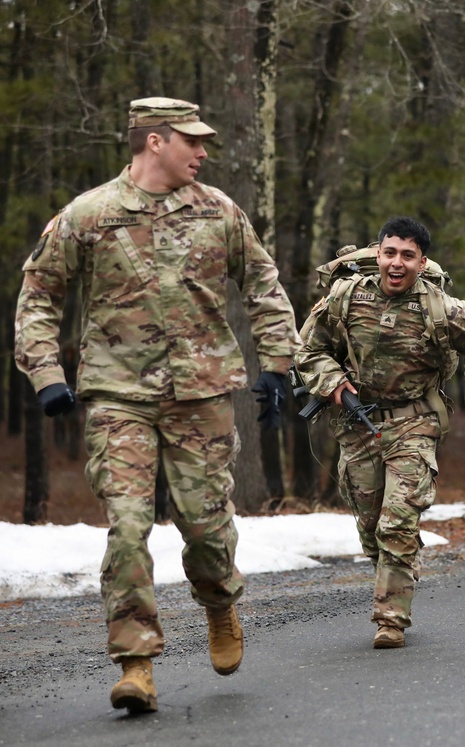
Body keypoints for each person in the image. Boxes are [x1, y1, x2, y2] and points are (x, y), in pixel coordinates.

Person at [14, 97, 300, 712]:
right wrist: (45, 373)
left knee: (205, 527)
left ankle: (220, 601)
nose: (202, 153)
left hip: (201, 395)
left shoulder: (219, 211)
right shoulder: (88, 215)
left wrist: (279, 366)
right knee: (128, 524)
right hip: (119, 394)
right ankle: (136, 661)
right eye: (191, 142)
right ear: (154, 142)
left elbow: (264, 286)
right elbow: (38, 294)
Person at [295, 216, 465, 649]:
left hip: (415, 423)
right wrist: (330, 380)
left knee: (397, 523)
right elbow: (308, 349)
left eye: (408, 256)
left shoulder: (445, 310)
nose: (396, 263)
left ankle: (390, 620)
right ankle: (398, 566)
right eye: (390, 253)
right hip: (358, 426)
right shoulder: (346, 296)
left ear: (421, 262)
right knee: (371, 528)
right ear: (378, 254)